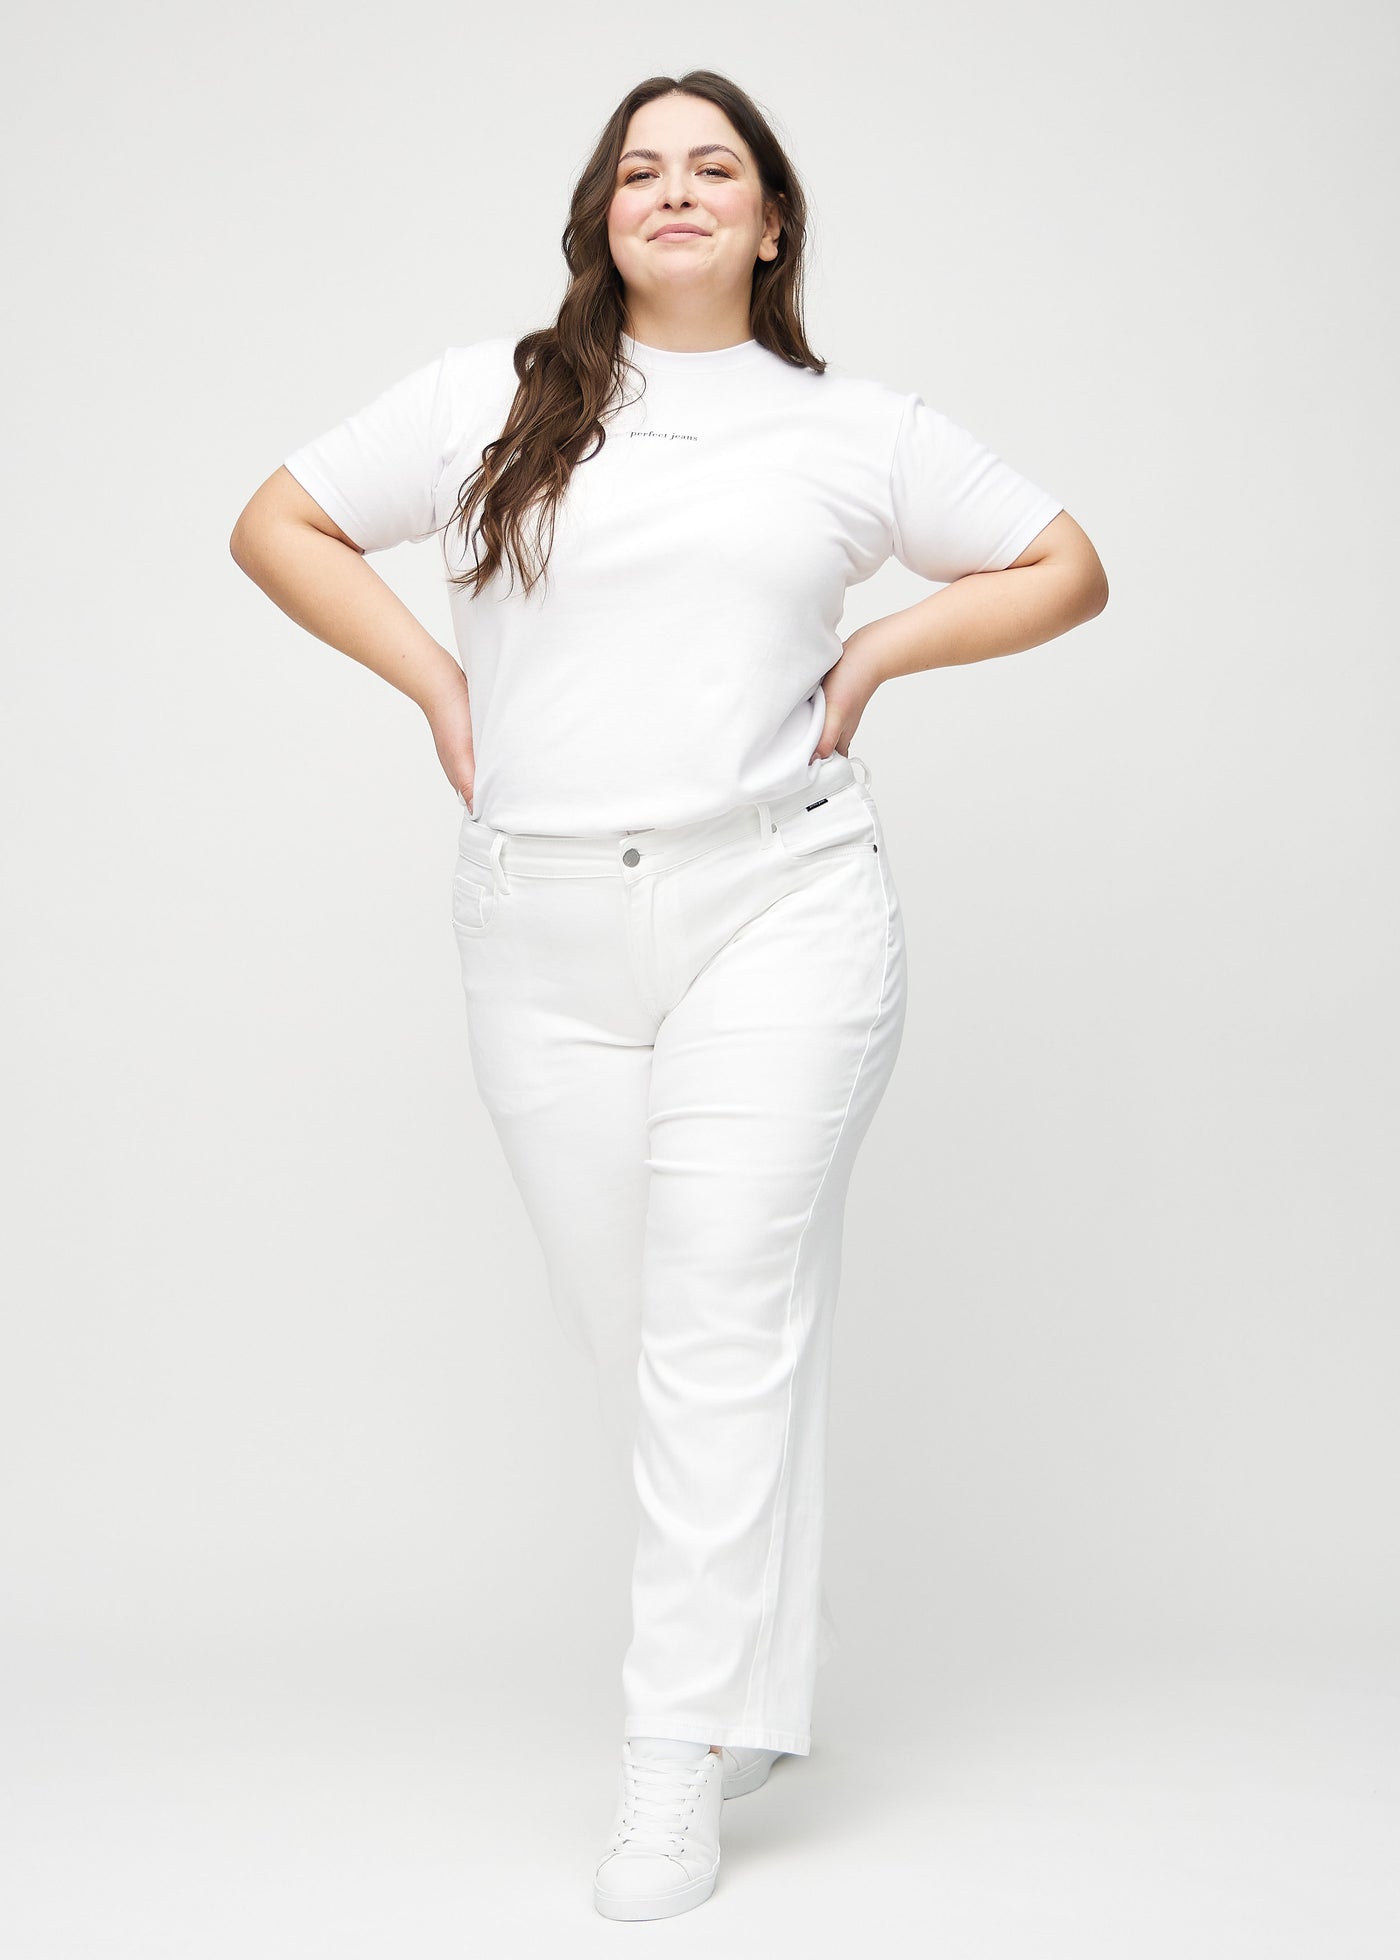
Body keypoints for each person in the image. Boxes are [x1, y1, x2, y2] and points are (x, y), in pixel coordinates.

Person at [230, 67, 1108, 1924]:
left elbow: (1064, 566)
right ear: (603, 216)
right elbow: (279, 522)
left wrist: (881, 650)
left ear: (772, 222)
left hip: (777, 905)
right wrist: (442, 686)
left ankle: (666, 1763)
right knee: (648, 1332)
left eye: (716, 167)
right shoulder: (488, 402)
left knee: (717, 1326)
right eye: (642, 169)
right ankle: (755, 1678)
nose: (678, 190)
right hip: (536, 926)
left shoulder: (852, 430)